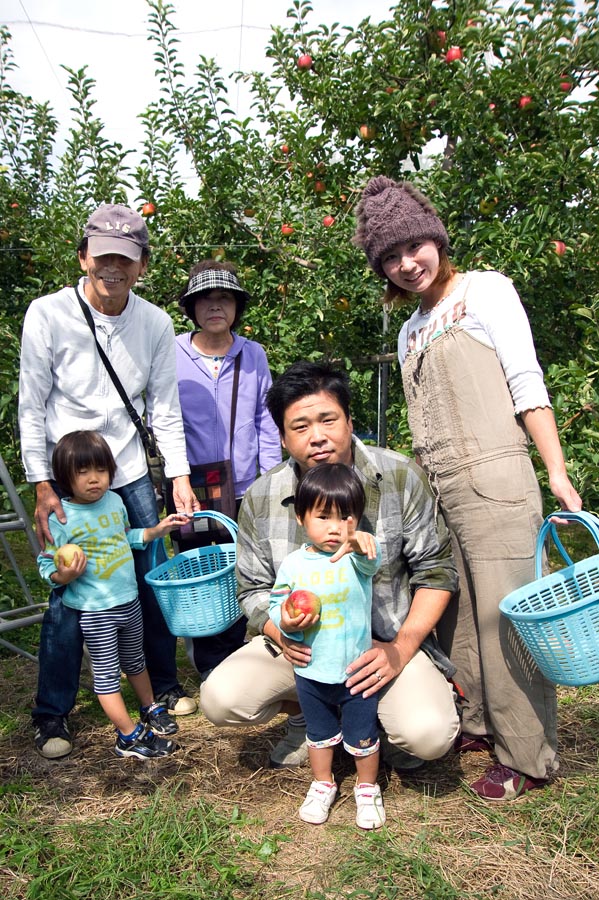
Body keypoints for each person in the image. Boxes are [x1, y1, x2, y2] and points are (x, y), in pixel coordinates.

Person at [353, 175, 583, 800]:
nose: (406, 265)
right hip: (438, 490)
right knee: (453, 614)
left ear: (435, 236)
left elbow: (527, 383)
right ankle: (479, 724)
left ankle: (528, 756)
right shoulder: (407, 333)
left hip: (498, 476)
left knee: (504, 615)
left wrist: (556, 472)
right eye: (390, 259)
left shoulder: (485, 292)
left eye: (413, 247)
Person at [200, 360, 461, 773]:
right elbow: (251, 589)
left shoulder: (398, 477)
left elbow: (436, 572)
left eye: (328, 420)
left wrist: (401, 648)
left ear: (349, 421)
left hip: (381, 647)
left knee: (427, 734)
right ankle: (309, 716)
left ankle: (371, 719)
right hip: (303, 649)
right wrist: (278, 632)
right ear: (284, 438)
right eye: (300, 427)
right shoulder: (264, 496)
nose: (317, 437)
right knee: (221, 698)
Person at [18, 203, 199, 760]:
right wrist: (42, 483)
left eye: (125, 258)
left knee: (149, 578)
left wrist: (179, 474)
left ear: (141, 264)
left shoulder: (155, 323)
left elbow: (164, 406)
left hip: (129, 471)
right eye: (103, 257)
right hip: (69, 478)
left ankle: (159, 689)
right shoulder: (47, 315)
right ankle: (53, 713)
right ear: (83, 257)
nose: (112, 268)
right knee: (71, 588)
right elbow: (31, 405)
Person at [37, 431, 192, 759]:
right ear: (65, 477)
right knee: (107, 676)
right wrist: (62, 575)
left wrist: (155, 531)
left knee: (136, 661)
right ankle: (128, 737)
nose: (94, 479)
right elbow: (44, 563)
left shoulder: (115, 501)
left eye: (101, 470)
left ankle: (150, 708)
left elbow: (124, 536)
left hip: (129, 602)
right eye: (82, 472)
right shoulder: (62, 517)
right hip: (96, 611)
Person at [174, 259, 281, 678]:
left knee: (243, 566)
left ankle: (240, 657)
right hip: (193, 486)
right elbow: (161, 416)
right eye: (205, 299)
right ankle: (209, 662)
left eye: (224, 298)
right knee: (200, 568)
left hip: (243, 485)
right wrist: (175, 472)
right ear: (192, 308)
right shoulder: (173, 353)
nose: (215, 307)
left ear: (236, 307)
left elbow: (266, 421)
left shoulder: (252, 355)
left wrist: (268, 479)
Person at [269, 463, 384, 828]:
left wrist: (365, 544)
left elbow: (372, 562)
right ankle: (323, 783)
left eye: (346, 516)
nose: (336, 527)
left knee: (363, 735)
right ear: (302, 518)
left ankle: (367, 788)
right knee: (318, 735)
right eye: (323, 516)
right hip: (311, 670)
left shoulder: (355, 557)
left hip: (356, 672)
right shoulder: (292, 564)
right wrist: (285, 621)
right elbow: (277, 603)